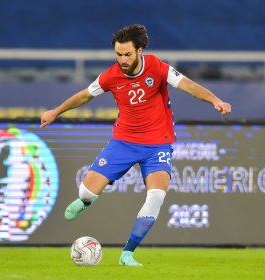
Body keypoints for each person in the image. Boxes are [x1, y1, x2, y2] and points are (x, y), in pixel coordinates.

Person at [40, 24, 231, 266]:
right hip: (124, 141)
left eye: (127, 54)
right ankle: (88, 200)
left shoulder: (158, 67)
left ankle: (127, 254)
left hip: (158, 144)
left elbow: (189, 86)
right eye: (118, 54)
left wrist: (216, 100)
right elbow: (85, 95)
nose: (122, 60)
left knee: (156, 197)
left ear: (139, 50)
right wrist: (56, 111)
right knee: (85, 191)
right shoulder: (110, 76)